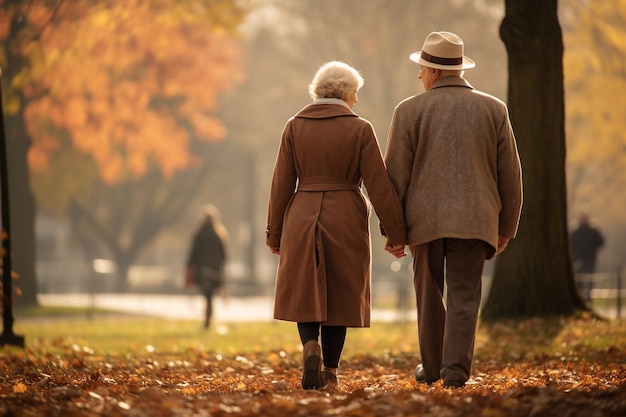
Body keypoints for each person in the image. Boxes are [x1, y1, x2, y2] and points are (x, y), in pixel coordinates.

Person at [384, 31, 523, 388]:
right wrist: (506, 226)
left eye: (422, 69)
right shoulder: (494, 108)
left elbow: (394, 177)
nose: (419, 76)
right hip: (476, 219)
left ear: (433, 72)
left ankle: (431, 368)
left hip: (424, 220)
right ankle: (456, 372)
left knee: (428, 293)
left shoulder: (409, 111)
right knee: (465, 295)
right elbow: (510, 174)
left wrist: (393, 231)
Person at [266, 61, 407, 391]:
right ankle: (330, 371)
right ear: (345, 93)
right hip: (345, 213)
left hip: (302, 212)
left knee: (305, 288)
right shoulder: (360, 128)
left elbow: (281, 184)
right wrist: (395, 233)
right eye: (355, 93)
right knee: (341, 294)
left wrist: (275, 232)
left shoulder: (294, 126)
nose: (356, 100)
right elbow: (378, 185)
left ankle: (309, 345)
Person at [185, 204, 228, 330]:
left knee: (207, 296)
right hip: (215, 271)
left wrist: (189, 268)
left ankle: (207, 321)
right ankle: (208, 320)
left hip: (203, 270)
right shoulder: (219, 234)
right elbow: (224, 255)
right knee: (210, 297)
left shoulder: (199, 234)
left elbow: (194, 254)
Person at [570, 212, 604, 302]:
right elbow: (601, 242)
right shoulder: (593, 231)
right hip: (588, 260)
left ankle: (583, 298)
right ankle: (587, 298)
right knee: (588, 280)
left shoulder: (575, 232)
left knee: (580, 280)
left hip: (579, 260)